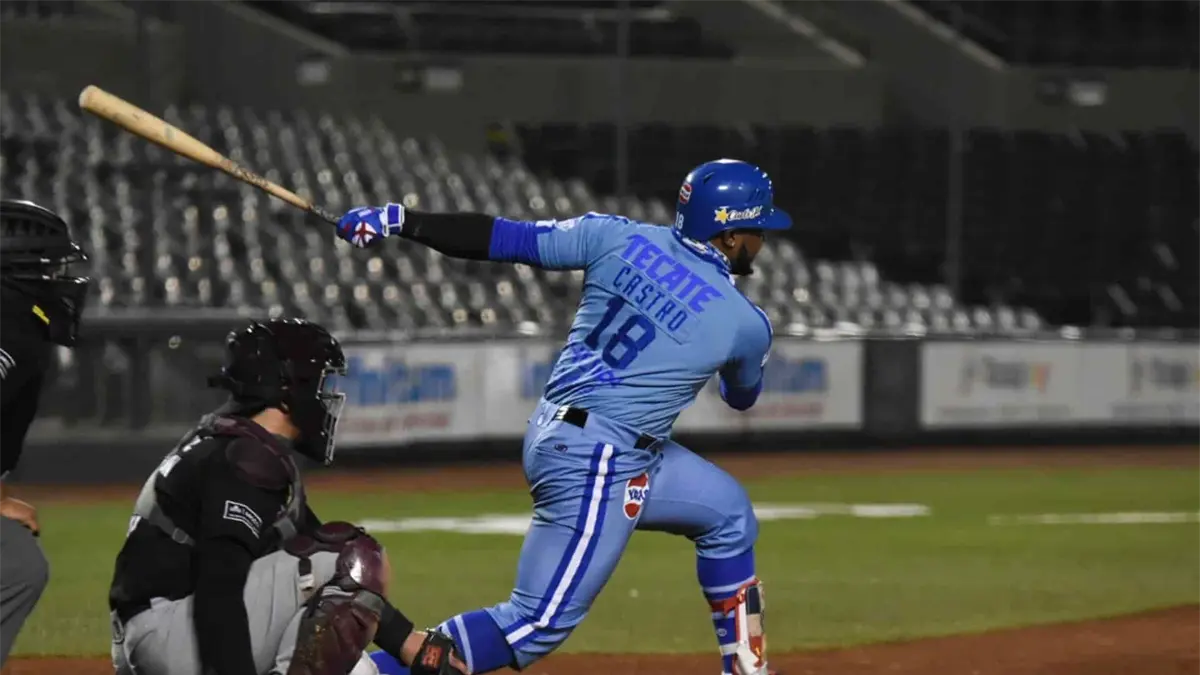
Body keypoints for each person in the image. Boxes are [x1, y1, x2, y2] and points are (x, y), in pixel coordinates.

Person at [333, 159, 788, 675]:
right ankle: (367, 673)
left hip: (574, 433)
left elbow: (498, 238)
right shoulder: (745, 322)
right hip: (599, 459)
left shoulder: (614, 235)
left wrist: (400, 220)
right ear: (730, 235)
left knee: (728, 513)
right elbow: (741, 397)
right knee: (535, 624)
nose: (762, 241)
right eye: (757, 229)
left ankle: (746, 668)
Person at [107, 317, 467, 675]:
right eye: (319, 382)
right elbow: (219, 588)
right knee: (358, 557)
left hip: (156, 630)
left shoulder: (233, 442)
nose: (325, 397)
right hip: (170, 632)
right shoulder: (245, 459)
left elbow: (313, 547)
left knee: (357, 669)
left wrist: (405, 640)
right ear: (287, 389)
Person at [0, 199, 90, 668]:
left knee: (16, 561)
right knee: (16, 566)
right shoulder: (10, 327)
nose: (60, 279)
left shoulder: (16, 321)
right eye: (49, 267)